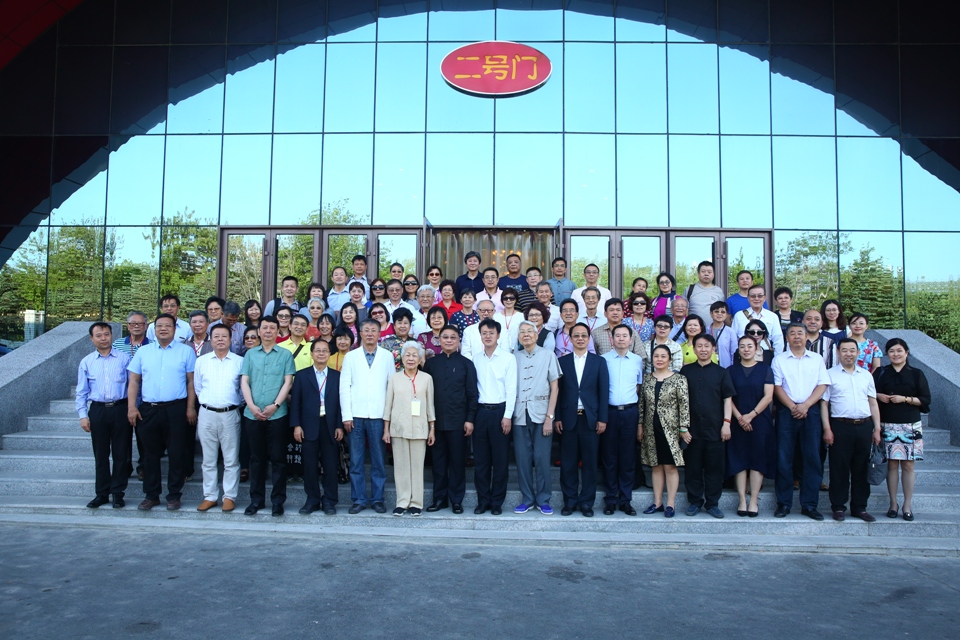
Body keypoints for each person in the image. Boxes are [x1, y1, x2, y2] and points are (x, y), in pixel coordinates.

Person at [127, 313, 197, 511]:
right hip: (149, 410)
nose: (163, 329)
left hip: (176, 409)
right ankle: (151, 495)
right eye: (159, 326)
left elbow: (191, 382)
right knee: (150, 455)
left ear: (175, 329)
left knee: (176, 453)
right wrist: (131, 407)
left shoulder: (186, 351)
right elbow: (134, 381)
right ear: (153, 329)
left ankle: (174, 495)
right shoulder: (143, 352)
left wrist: (190, 407)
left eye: (168, 325)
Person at [772, 323, 831, 520]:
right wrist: (792, 407)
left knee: (812, 458)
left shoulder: (817, 359)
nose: (796, 336)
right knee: (783, 458)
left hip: (811, 411)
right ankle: (784, 503)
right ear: (786, 338)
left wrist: (806, 405)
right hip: (786, 411)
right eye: (792, 333)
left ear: (807, 337)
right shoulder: (779, 359)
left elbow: (822, 384)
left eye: (800, 333)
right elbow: (777, 386)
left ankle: (809, 505)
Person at [820, 338, 882, 522]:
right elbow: (824, 404)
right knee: (839, 468)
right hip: (840, 426)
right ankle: (838, 507)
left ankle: (859, 507)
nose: (849, 354)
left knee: (861, 468)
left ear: (858, 352)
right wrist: (827, 429)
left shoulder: (866, 375)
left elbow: (873, 402)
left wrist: (877, 428)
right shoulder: (829, 374)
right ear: (838, 352)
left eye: (852, 350)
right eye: (845, 350)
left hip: (864, 426)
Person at [240, 315, 296, 517]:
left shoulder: (285, 355)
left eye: (272, 328)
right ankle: (256, 500)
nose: (268, 331)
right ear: (259, 331)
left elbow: (288, 382)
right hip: (252, 414)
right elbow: (244, 381)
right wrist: (251, 406)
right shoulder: (250, 355)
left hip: (277, 415)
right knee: (256, 459)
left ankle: (278, 501)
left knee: (279, 459)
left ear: (278, 331)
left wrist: (275, 405)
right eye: (265, 328)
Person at [340, 319, 395, 514]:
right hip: (356, 415)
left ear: (379, 334)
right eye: (366, 330)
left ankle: (378, 498)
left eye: (374, 330)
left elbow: (391, 387)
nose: (370, 333)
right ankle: (359, 499)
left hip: (379, 415)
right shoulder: (351, 356)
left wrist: (388, 417)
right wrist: (346, 415)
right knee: (356, 460)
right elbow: (344, 387)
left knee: (378, 459)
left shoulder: (387, 356)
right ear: (360, 334)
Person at [874, 338, 930, 522]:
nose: (895, 354)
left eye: (899, 351)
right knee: (891, 465)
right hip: (887, 423)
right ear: (887, 354)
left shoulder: (916, 373)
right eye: (891, 351)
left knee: (908, 465)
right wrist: (878, 395)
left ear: (906, 352)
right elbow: (868, 393)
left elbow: (925, 399)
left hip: (910, 425)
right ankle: (893, 503)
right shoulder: (881, 372)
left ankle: (907, 505)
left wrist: (905, 399)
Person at [423, 326, 479, 514]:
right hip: (435, 422)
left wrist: (470, 419)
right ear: (439, 340)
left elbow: (472, 394)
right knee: (438, 463)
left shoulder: (466, 364)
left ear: (458, 341)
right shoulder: (431, 364)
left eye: (452, 337)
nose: (448, 340)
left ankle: (456, 500)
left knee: (457, 462)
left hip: (459, 422)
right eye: (445, 337)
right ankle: (439, 499)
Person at [556, 322, 609, 517]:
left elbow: (603, 392)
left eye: (583, 335)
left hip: (590, 420)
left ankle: (586, 503)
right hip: (568, 419)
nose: (580, 339)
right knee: (568, 464)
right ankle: (569, 502)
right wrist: (557, 417)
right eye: (576, 335)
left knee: (590, 464)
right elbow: (557, 392)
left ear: (589, 339)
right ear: (570, 339)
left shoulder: (599, 362)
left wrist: (603, 419)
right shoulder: (562, 362)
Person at [76, 322, 131, 509]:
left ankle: (118, 493)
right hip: (98, 410)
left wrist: (133, 408)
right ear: (92, 339)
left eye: (106, 334)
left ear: (111, 336)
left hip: (121, 409)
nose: (103, 338)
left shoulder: (124, 359)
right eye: (98, 335)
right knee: (101, 454)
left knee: (121, 454)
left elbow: (133, 386)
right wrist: (83, 415)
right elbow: (81, 391)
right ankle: (101, 494)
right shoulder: (87, 362)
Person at [680, 334, 736, 519]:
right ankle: (695, 501)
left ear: (713, 349)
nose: (703, 349)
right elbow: (679, 401)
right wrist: (682, 428)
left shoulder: (722, 372)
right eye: (699, 346)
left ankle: (712, 503)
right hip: (691, 430)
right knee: (692, 468)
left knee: (714, 469)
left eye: (707, 346)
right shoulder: (686, 371)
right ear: (694, 349)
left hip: (715, 428)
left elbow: (727, 399)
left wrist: (726, 423)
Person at [193, 324, 244, 513]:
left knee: (231, 459)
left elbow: (242, 389)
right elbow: (198, 388)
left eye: (224, 336)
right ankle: (210, 496)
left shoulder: (239, 361)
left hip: (230, 414)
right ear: (211, 340)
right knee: (208, 459)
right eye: (216, 336)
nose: (220, 339)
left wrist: (231, 404)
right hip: (207, 413)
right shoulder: (202, 361)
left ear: (230, 340)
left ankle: (229, 496)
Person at [290, 339, 343, 516]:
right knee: (309, 465)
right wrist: (296, 425)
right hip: (308, 426)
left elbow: (341, 404)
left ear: (329, 354)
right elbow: (295, 403)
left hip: (330, 425)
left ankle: (329, 500)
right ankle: (312, 500)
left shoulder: (337, 376)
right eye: (317, 351)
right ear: (312, 354)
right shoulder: (302, 375)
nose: (321, 353)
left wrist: (339, 425)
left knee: (330, 465)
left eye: (324, 351)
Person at [512, 320, 561, 515]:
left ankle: (543, 499)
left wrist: (550, 416)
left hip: (541, 414)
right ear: (518, 337)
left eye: (529, 331)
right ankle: (527, 498)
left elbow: (555, 388)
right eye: (522, 332)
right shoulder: (513, 357)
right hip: (519, 414)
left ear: (536, 334)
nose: (526, 334)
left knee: (541, 458)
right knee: (522, 459)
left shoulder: (548, 355)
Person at [383, 341, 436, 516]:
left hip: (420, 429)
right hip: (399, 428)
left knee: (417, 467)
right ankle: (402, 501)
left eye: (415, 355)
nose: (411, 358)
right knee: (401, 467)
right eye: (408, 355)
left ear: (420, 359)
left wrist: (432, 428)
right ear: (402, 358)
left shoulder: (427, 378)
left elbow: (430, 405)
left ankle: (416, 503)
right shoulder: (394, 378)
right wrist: (386, 429)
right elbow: (388, 405)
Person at [472, 318, 518, 515]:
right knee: (481, 460)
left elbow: (511, 390)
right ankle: (483, 501)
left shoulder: (508, 358)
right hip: (480, 413)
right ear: (480, 336)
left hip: (500, 412)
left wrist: (507, 416)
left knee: (500, 461)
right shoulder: (475, 359)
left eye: (491, 333)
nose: (488, 336)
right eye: (484, 333)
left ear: (498, 335)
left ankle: (497, 502)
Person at [727, 335, 776, 517]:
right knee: (739, 459)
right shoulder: (731, 371)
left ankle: (754, 500)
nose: (746, 349)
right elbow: (727, 397)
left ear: (756, 349)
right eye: (742, 346)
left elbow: (768, 396)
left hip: (760, 420)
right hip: (736, 420)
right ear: (738, 350)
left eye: (750, 346)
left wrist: (751, 415)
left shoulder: (765, 369)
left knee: (757, 459)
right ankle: (742, 499)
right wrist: (740, 418)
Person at [639, 344, 689, 518]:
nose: (659, 359)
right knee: (655, 465)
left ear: (669, 359)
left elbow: (684, 405)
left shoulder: (679, 379)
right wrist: (640, 425)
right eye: (656, 356)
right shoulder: (647, 378)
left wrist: (684, 428)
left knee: (670, 466)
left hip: (671, 430)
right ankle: (658, 502)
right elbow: (642, 404)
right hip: (650, 429)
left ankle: (670, 504)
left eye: (663, 356)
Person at [600, 324, 643, 516]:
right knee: (609, 457)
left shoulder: (637, 360)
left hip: (630, 412)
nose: (621, 339)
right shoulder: (603, 359)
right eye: (617, 335)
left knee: (627, 457)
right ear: (612, 339)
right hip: (609, 412)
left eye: (625, 336)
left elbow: (638, 387)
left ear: (631, 339)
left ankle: (625, 500)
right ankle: (610, 499)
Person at [731, 285, 784, 353]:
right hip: (744, 354)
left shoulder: (772, 316)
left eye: (760, 296)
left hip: (765, 354)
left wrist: (776, 357)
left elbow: (778, 340)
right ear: (748, 298)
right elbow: (733, 340)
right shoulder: (739, 316)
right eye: (753, 296)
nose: (756, 299)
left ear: (764, 298)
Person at [707, 301, 737, 368]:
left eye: (723, 312)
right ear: (711, 314)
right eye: (716, 311)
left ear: (726, 315)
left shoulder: (730, 332)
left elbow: (734, 353)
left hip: (725, 367)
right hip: (708, 366)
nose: (719, 314)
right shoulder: (705, 331)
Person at [492, 289, 522, 353]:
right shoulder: (495, 317)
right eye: (505, 298)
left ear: (516, 300)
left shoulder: (521, 316)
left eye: (512, 298)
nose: (508, 300)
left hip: (517, 350)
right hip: (499, 350)